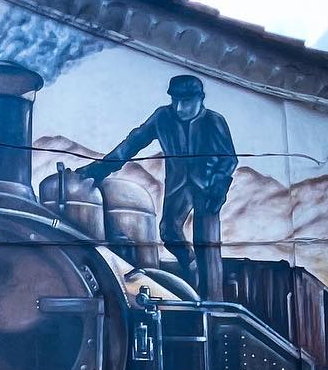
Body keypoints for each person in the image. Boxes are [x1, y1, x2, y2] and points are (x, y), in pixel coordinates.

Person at [76, 73, 237, 300]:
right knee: (169, 232)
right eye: (176, 100)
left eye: (186, 101)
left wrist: (220, 184)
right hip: (178, 186)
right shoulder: (163, 117)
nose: (180, 107)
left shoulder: (214, 120)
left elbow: (229, 158)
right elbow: (133, 142)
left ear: (200, 99)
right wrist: (100, 169)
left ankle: (213, 302)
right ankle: (189, 264)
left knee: (207, 244)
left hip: (208, 188)